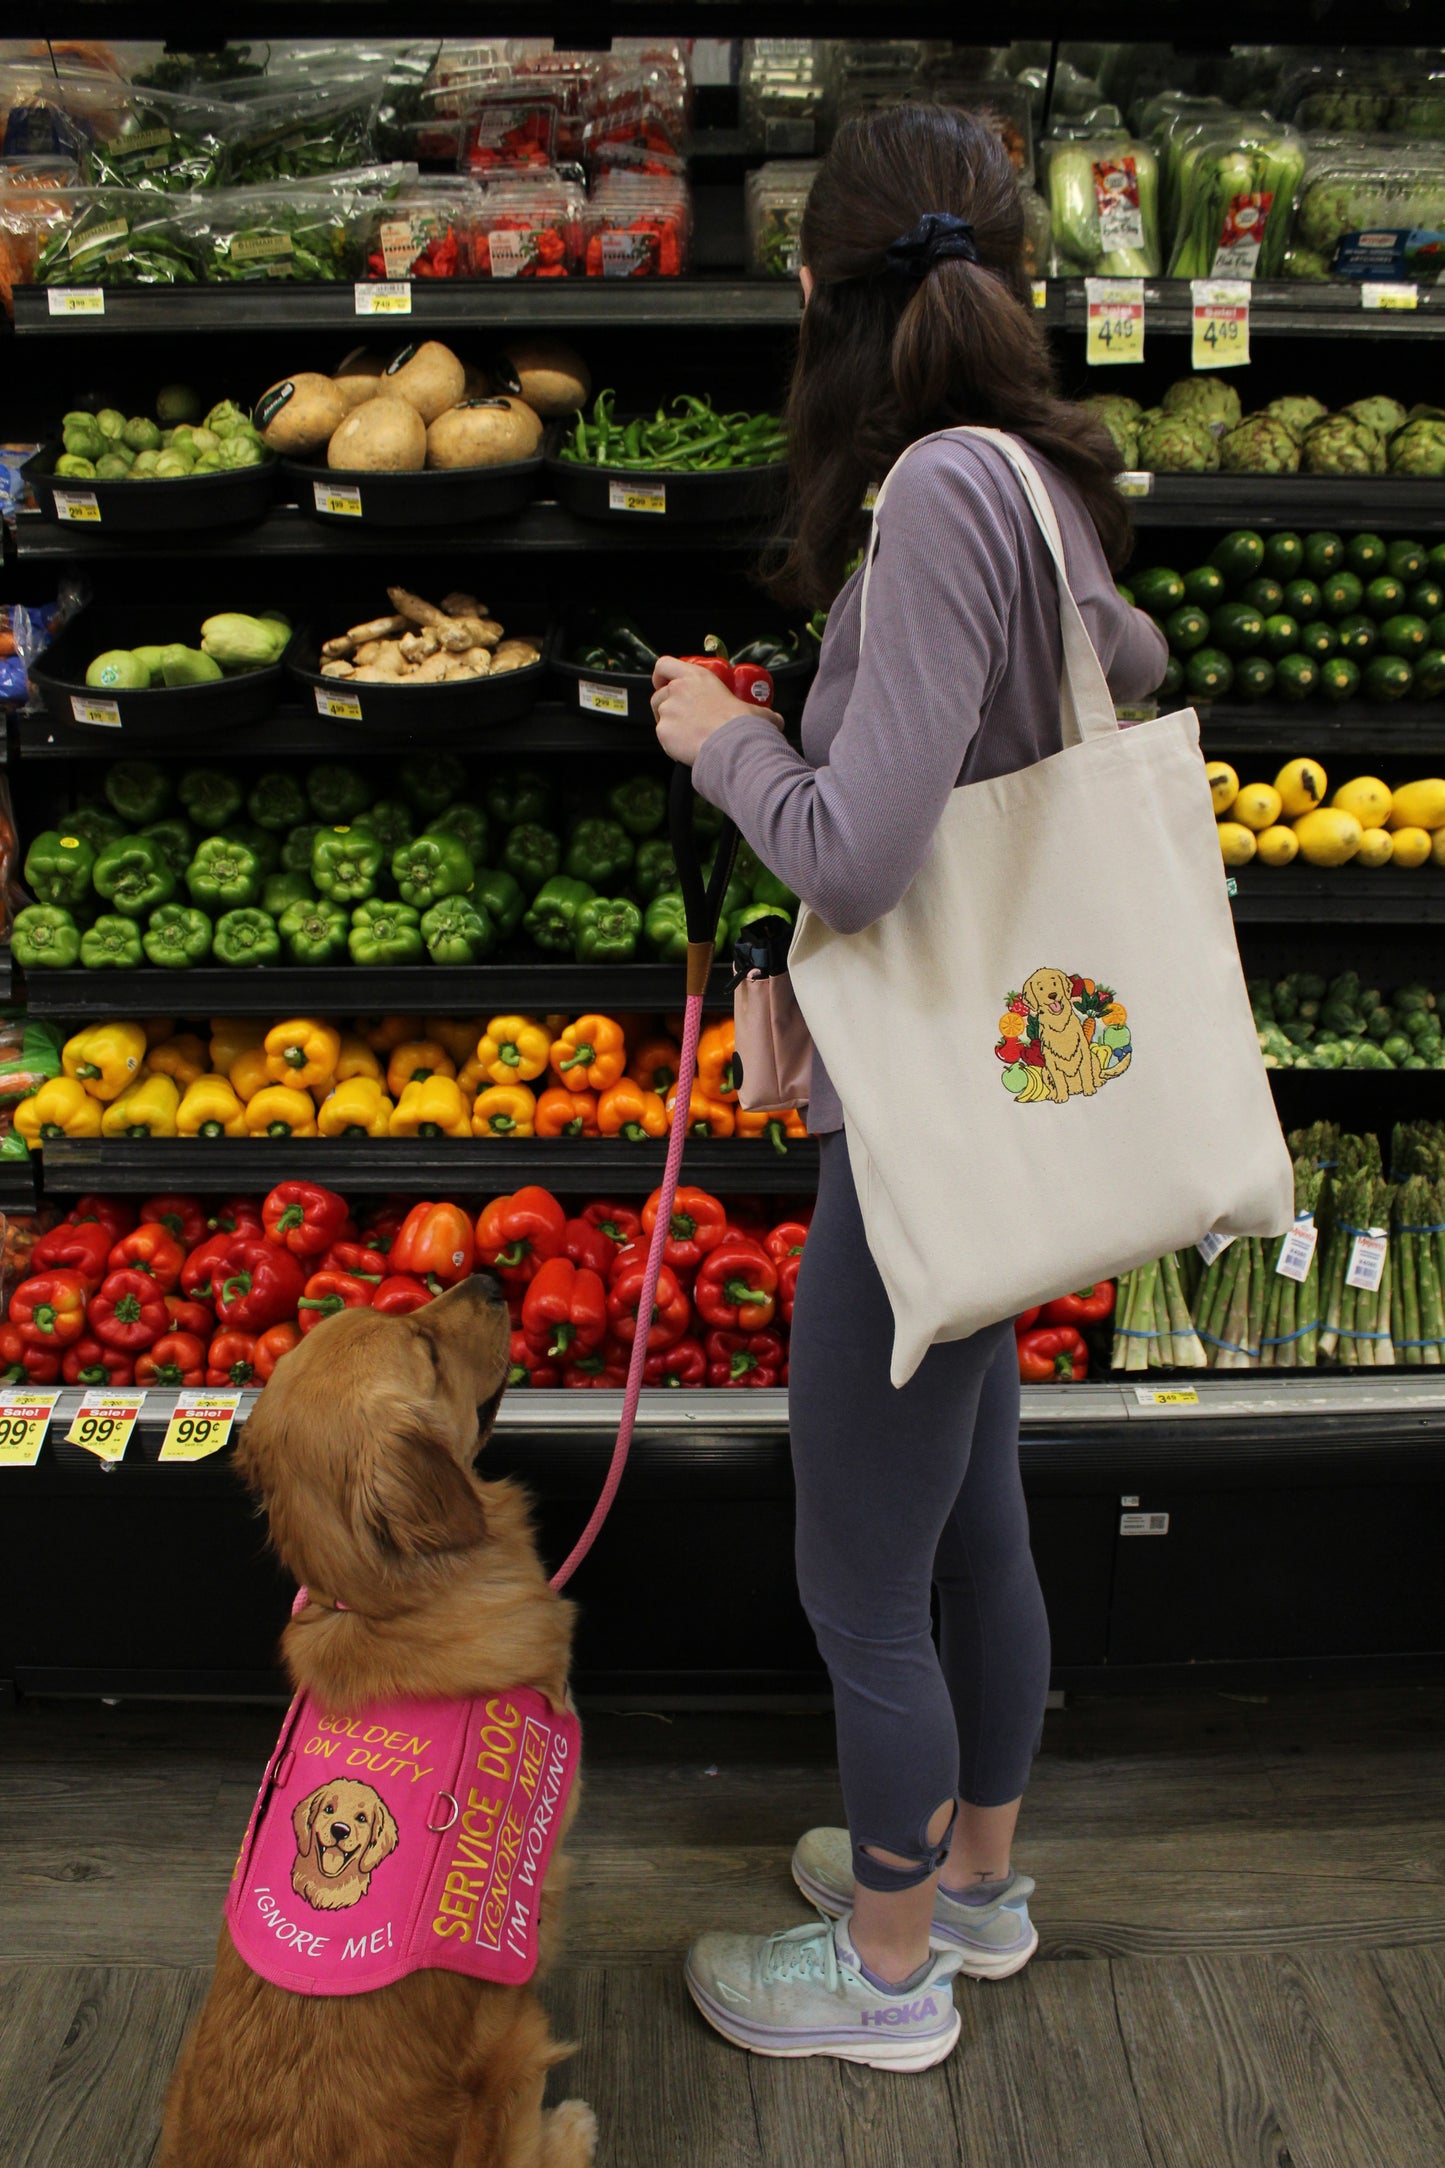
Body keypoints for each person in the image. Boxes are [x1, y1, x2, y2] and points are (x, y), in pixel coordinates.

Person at [653, 104, 1167, 2072]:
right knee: (974, 1526)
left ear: (818, 292)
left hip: (933, 1132)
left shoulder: (940, 493)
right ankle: (973, 1885)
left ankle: (885, 1980)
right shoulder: (1028, 482)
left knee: (858, 1570)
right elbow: (1125, 652)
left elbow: (854, 860)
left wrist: (726, 739)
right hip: (1021, 1098)